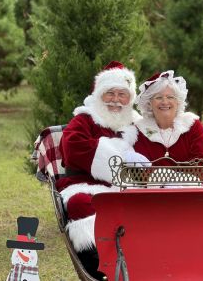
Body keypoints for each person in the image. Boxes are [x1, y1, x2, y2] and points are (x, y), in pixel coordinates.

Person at [56, 61, 149, 280]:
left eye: (122, 94)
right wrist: (120, 157)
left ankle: (142, 263)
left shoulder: (136, 124)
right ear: (99, 94)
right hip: (85, 184)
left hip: (128, 187)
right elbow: (73, 147)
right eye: (110, 93)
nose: (116, 100)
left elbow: (149, 156)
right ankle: (96, 268)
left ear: (130, 98)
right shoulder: (85, 118)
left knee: (151, 206)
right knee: (81, 203)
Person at [132, 70, 203, 164]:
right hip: (152, 179)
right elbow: (139, 171)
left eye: (170, 97)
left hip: (195, 179)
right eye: (158, 97)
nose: (165, 102)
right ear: (149, 103)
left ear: (178, 101)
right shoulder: (139, 131)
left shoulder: (192, 125)